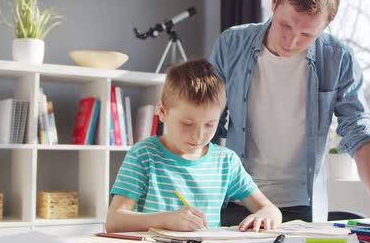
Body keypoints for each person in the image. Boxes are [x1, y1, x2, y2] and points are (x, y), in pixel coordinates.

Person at [209, 0, 370, 227]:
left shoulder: (338, 58)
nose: (291, 42)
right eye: (285, 25)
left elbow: (358, 131)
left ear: (326, 26)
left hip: (302, 207)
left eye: (307, 34)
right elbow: (208, 121)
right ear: (274, 1)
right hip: (236, 199)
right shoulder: (231, 44)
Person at [106, 59, 282, 233]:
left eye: (209, 125)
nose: (198, 136)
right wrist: (167, 219)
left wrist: (266, 214)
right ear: (162, 112)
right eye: (187, 123)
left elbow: (271, 210)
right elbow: (114, 221)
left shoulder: (225, 162)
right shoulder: (143, 155)